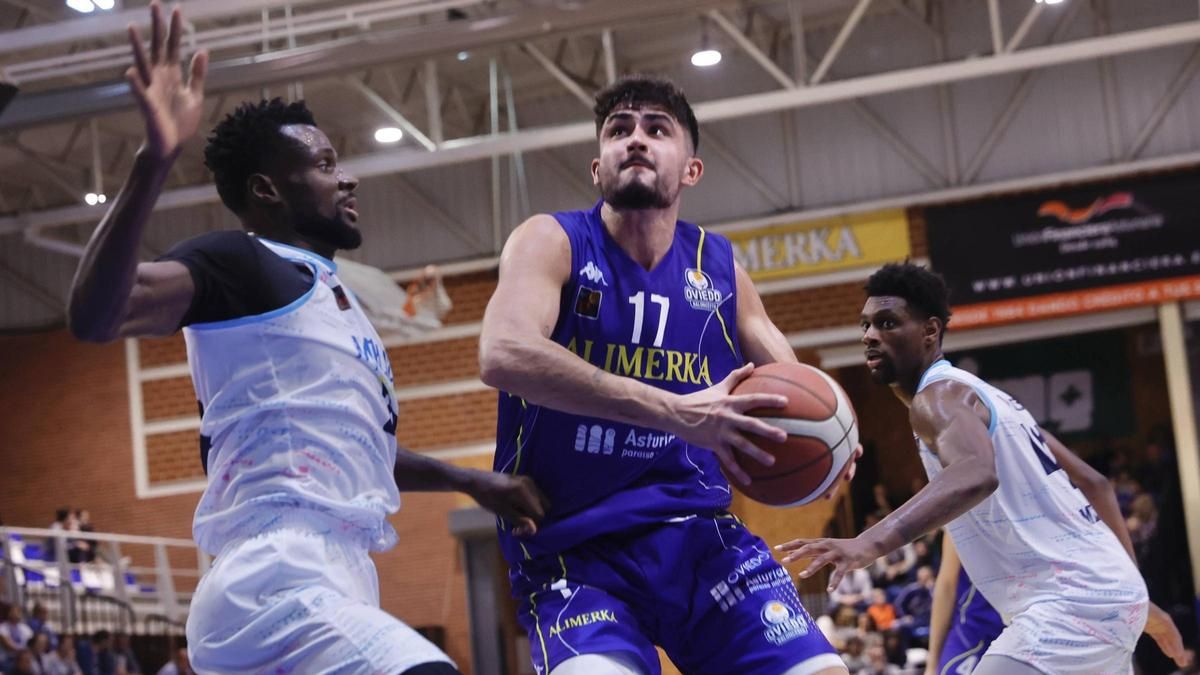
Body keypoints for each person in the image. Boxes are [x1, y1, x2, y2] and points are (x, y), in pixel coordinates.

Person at [65, 3, 547, 673]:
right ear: (267, 188)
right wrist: (154, 160)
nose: (345, 176)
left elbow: (360, 445)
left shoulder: (332, 298)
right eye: (323, 164)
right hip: (275, 578)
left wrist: (473, 480)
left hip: (341, 575)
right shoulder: (241, 262)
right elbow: (94, 315)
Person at [479, 74, 860, 675]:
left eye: (657, 129)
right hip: (574, 550)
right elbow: (502, 353)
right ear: (597, 167)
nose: (636, 140)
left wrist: (835, 441)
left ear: (691, 170)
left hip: (700, 539)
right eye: (618, 131)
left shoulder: (720, 266)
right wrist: (678, 411)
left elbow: (791, 381)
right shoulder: (551, 240)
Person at [779, 262, 1190, 674]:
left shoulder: (935, 400)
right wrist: (1136, 597)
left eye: (887, 323)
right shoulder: (993, 400)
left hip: (1066, 606)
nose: (870, 335)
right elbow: (1094, 483)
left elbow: (977, 472)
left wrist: (868, 543)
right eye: (865, 325)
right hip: (1104, 594)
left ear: (930, 331)